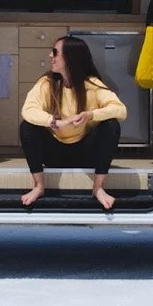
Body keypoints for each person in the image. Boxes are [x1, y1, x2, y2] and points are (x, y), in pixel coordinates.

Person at [18, 36, 127, 210]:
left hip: (85, 154)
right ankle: (38, 186)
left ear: (70, 58)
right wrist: (55, 122)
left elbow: (120, 110)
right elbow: (28, 110)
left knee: (111, 125)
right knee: (27, 126)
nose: (50, 56)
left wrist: (90, 115)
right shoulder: (47, 83)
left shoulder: (92, 84)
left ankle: (98, 188)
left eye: (55, 52)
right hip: (54, 154)